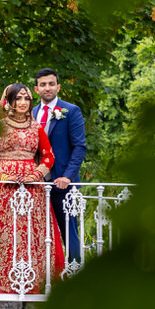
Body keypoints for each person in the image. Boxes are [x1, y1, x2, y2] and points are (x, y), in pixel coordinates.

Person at [0, 83, 64, 295]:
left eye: (26, 98)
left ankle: (35, 283)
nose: (23, 102)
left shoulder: (36, 128)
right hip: (5, 186)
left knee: (32, 234)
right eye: (18, 98)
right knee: (2, 233)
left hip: (31, 187)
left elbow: (49, 156)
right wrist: (3, 175)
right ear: (9, 102)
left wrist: (36, 174)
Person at [32, 68, 87, 262]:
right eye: (43, 84)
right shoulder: (31, 112)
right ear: (36, 89)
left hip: (62, 185)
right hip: (36, 186)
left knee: (68, 232)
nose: (48, 88)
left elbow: (79, 147)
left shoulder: (71, 111)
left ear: (58, 87)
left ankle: (75, 275)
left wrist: (67, 177)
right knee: (37, 233)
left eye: (51, 84)